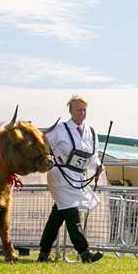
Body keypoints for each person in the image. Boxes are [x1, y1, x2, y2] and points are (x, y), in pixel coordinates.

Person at [38, 95, 104, 263]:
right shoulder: (60, 129)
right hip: (60, 176)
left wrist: (98, 165)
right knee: (72, 213)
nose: (82, 113)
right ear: (71, 111)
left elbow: (94, 155)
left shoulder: (92, 132)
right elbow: (43, 144)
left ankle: (44, 252)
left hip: (78, 177)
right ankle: (84, 253)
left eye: (84, 110)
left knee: (58, 216)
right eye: (78, 110)